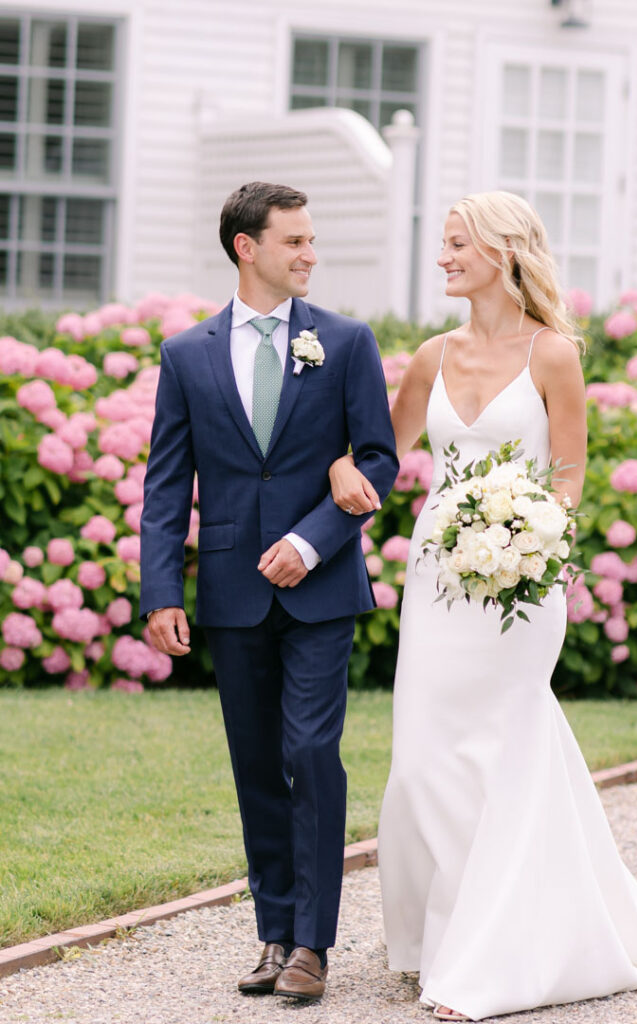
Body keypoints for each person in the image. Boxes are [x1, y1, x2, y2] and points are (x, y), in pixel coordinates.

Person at [329, 190, 637, 1021]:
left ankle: (494, 962)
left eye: (458, 244)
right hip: (438, 577)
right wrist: (338, 471)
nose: (445, 257)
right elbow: (383, 453)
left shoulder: (553, 354)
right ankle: (441, 937)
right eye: (445, 244)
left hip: (522, 586)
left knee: (506, 749)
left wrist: (535, 541)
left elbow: (569, 473)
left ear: (502, 252)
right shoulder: (430, 354)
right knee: (425, 760)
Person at [139, 181, 398, 1004]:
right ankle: (274, 932)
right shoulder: (186, 355)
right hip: (229, 594)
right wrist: (161, 592)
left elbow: (380, 460)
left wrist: (310, 539)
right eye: (294, 241)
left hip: (320, 591)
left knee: (310, 754)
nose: (310, 254)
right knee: (256, 765)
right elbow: (165, 483)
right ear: (247, 248)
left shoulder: (347, 343)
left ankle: (314, 946)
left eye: (312, 240)